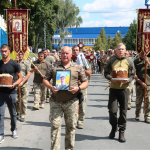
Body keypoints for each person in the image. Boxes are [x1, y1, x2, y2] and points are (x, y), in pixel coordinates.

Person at [43, 46, 88, 150]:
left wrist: (78, 88)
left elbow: (86, 82)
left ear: (71, 54)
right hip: (56, 101)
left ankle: (69, 148)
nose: (65, 55)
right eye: (63, 53)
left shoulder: (78, 67)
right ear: (60, 54)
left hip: (72, 102)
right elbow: (45, 80)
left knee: (71, 127)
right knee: (55, 127)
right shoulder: (53, 66)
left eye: (67, 53)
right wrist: (51, 87)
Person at [104, 43, 135, 142]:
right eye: (119, 49)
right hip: (113, 89)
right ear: (116, 50)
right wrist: (111, 78)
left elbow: (133, 75)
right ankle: (114, 127)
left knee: (123, 111)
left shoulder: (129, 61)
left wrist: (128, 81)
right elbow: (106, 73)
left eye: (122, 49)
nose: (121, 51)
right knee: (112, 111)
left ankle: (122, 131)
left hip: (124, 89)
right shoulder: (111, 60)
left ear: (125, 50)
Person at [0, 44, 22, 143]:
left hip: (12, 92)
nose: (3, 53)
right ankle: (1, 134)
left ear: (9, 51)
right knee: (0, 114)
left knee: (13, 113)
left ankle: (14, 130)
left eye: (5, 51)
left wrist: (14, 84)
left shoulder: (14, 64)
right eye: (2, 51)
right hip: (1, 93)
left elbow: (20, 77)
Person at [134, 51, 150, 123]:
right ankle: (137, 114)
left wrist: (148, 62)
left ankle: (147, 116)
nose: (143, 54)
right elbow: (134, 74)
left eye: (145, 53)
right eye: (142, 53)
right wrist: (141, 82)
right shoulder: (136, 61)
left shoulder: (149, 59)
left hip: (148, 84)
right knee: (138, 100)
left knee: (148, 101)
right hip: (139, 84)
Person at [16, 51, 31, 122]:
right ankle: (18, 112)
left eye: (22, 54)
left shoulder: (26, 63)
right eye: (19, 54)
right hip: (16, 84)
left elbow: (28, 74)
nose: (20, 56)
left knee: (23, 100)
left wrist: (22, 82)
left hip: (24, 84)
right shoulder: (14, 63)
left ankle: (23, 114)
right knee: (16, 100)